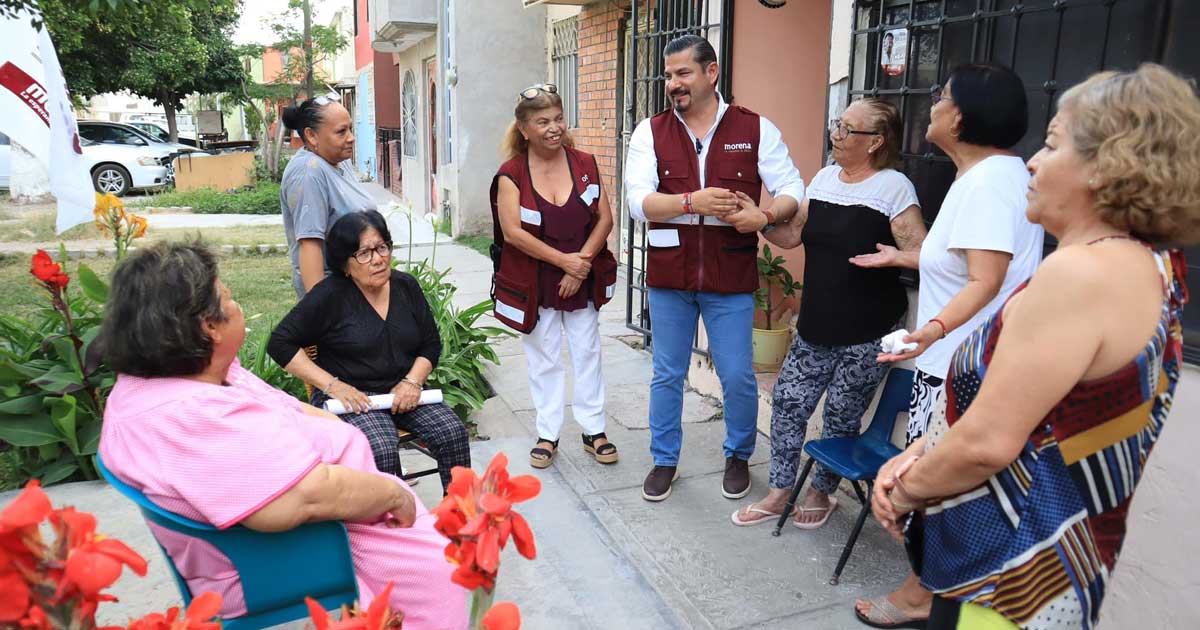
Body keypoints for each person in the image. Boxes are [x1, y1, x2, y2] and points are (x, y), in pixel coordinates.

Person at [870, 63, 1199, 630]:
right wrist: (921, 449)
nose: (1032, 162)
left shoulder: (1079, 275)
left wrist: (903, 491)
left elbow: (986, 444)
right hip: (1062, 561)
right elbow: (1034, 414)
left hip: (1007, 578)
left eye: (1051, 145)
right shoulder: (1152, 265)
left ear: (1106, 165)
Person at [97, 242, 467, 630]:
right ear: (209, 326)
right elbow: (304, 497)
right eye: (229, 297)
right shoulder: (187, 419)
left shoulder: (196, 368)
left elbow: (285, 407)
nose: (236, 304)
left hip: (338, 513)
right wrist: (392, 494)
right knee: (442, 572)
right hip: (298, 553)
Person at [849, 63, 1045, 627]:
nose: (932, 104)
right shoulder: (996, 175)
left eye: (942, 96)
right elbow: (968, 266)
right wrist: (899, 257)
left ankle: (920, 593)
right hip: (974, 359)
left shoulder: (985, 183)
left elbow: (985, 279)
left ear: (958, 116)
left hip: (958, 367)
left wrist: (926, 333)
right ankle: (929, 591)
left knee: (934, 491)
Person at [624, 34, 806, 502]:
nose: (673, 84)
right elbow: (637, 201)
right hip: (670, 276)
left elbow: (792, 189)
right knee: (667, 372)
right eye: (669, 75)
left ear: (711, 73)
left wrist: (763, 216)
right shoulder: (651, 131)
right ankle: (664, 460)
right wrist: (692, 201)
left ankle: (738, 455)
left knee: (738, 374)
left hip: (729, 275)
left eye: (683, 73)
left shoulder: (755, 128)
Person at [731, 99, 926, 528]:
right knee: (787, 403)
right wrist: (758, 219)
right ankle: (781, 491)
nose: (836, 134)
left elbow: (923, 254)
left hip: (867, 331)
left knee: (840, 413)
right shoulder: (822, 179)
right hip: (816, 326)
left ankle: (823, 491)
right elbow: (792, 235)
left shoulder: (894, 188)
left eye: (847, 129)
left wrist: (895, 257)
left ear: (875, 142)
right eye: (838, 125)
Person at [268, 210, 470, 492]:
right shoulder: (330, 295)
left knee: (452, 432)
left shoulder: (405, 286)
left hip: (403, 390)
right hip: (354, 396)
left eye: (381, 247)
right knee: (380, 448)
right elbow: (280, 343)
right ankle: (391, 529)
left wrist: (413, 382)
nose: (377, 259)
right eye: (364, 253)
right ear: (345, 264)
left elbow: (430, 343)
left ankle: (461, 520)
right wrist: (333, 386)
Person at [489, 83, 619, 469]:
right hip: (536, 282)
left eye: (558, 118)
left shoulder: (585, 163)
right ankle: (548, 433)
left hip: (581, 274)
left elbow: (605, 219)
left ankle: (593, 429)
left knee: (587, 352)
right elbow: (513, 233)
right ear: (524, 129)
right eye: (543, 121)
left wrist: (580, 264)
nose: (554, 127)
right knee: (543, 357)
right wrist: (566, 263)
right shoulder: (511, 175)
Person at [280, 95, 377, 297]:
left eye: (350, 128)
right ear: (312, 136)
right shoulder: (309, 172)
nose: (351, 137)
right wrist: (321, 308)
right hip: (334, 292)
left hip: (357, 285)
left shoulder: (339, 161)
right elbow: (310, 244)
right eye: (341, 132)